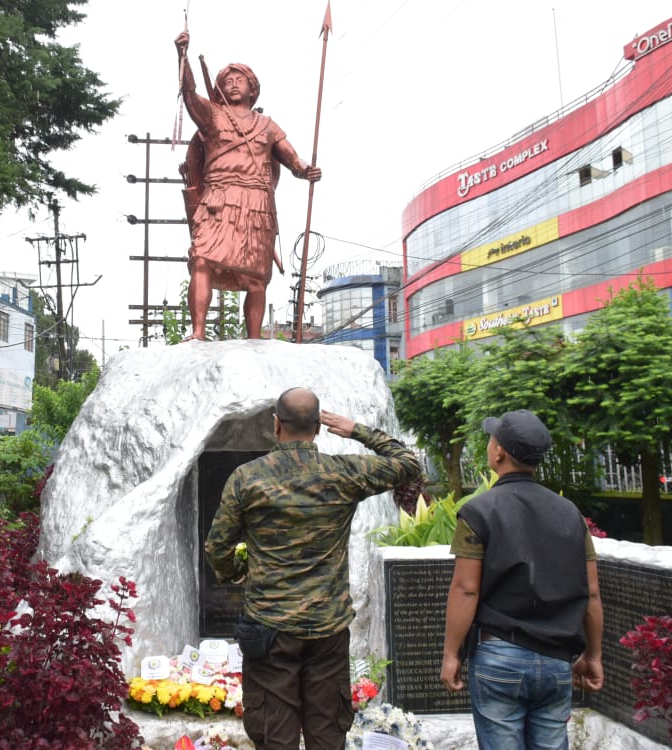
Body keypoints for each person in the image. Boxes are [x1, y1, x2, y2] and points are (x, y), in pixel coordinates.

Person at [205, 388, 422, 749]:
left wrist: (233, 574)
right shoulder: (345, 473)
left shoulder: (247, 478)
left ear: (276, 424)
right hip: (327, 629)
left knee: (276, 735)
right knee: (326, 733)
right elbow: (409, 463)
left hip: (270, 626)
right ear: (319, 427)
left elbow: (217, 547)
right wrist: (355, 430)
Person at [439, 409, 605, 750]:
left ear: (498, 452)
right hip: (558, 660)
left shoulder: (477, 511)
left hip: (500, 657)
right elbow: (591, 593)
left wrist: (451, 654)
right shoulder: (570, 514)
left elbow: (466, 589)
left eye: (491, 439)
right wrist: (594, 655)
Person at [174, 31, 322, 340]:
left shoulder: (267, 126)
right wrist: (183, 57)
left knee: (256, 277)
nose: (233, 83)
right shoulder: (212, 116)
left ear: (252, 88)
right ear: (220, 90)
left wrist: (305, 170)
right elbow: (189, 95)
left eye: (239, 79)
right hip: (218, 199)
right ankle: (198, 332)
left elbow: (291, 157)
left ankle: (254, 337)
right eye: (227, 81)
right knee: (201, 259)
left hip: (256, 203)